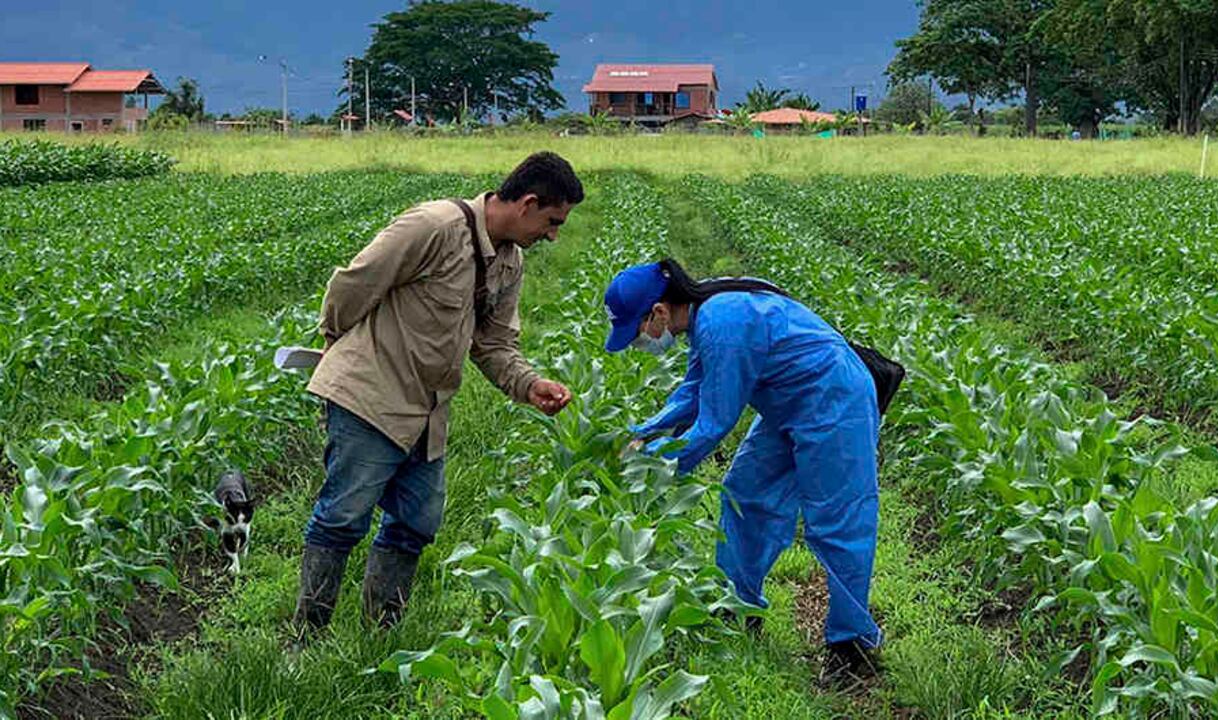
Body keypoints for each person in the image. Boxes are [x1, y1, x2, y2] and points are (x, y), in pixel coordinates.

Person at [296, 152, 582, 630]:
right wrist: (335, 345)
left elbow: (493, 344)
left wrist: (529, 385)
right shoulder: (433, 226)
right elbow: (354, 284)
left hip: (427, 414)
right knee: (343, 517)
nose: (552, 235)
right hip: (371, 396)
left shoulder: (508, 264)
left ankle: (381, 632)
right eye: (552, 222)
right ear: (528, 204)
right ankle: (306, 636)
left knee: (416, 522)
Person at [604, 259, 883, 678]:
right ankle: (737, 609)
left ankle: (851, 646)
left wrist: (651, 468)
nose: (640, 342)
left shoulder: (722, 322)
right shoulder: (706, 317)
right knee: (744, 496)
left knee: (836, 520)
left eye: (637, 332)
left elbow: (713, 424)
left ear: (658, 312)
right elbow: (693, 391)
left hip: (834, 401)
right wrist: (639, 433)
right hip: (788, 406)